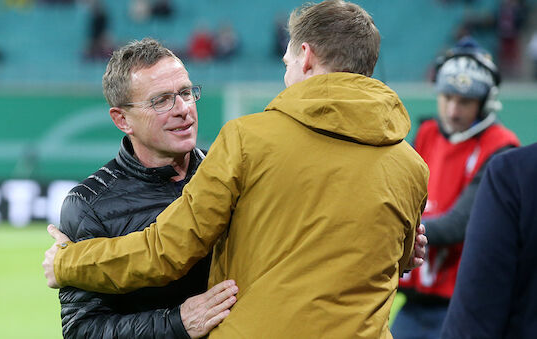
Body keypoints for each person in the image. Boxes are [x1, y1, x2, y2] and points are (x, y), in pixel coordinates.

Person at [44, 1, 429, 337]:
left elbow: (166, 250)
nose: (182, 108)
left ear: (306, 57)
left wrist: (67, 262)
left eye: (287, 62)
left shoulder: (247, 142)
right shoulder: (412, 166)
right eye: (162, 100)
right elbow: (388, 258)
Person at [56, 38, 239, 339]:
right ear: (122, 119)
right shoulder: (89, 205)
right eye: (161, 100)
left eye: (185, 93)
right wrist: (176, 323)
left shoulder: (228, 174)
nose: (182, 109)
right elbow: (82, 330)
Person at [392, 38, 520, 339]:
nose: (452, 110)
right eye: (447, 97)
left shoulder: (501, 148)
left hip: (463, 302)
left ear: (485, 102)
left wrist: (395, 228)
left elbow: (458, 225)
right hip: (414, 300)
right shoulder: (426, 133)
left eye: (464, 101)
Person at [440, 142, 537, 338]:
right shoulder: (428, 133)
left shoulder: (514, 169)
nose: (453, 111)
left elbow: (475, 315)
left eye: (464, 107)